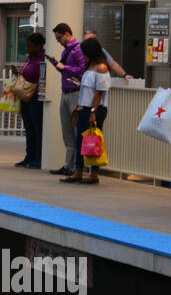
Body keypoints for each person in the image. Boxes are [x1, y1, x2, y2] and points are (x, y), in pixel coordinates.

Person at [62, 37, 110, 184]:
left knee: (93, 140)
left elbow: (99, 92)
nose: (82, 55)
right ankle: (79, 171)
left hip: (95, 108)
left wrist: (93, 111)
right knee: (80, 140)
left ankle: (94, 173)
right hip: (85, 106)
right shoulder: (90, 66)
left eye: (84, 52)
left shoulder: (102, 67)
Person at [46, 23, 86, 175]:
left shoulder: (77, 49)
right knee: (67, 130)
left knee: (75, 129)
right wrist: (57, 65)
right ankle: (68, 165)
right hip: (66, 91)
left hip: (75, 93)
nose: (58, 41)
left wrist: (64, 68)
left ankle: (75, 166)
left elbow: (82, 70)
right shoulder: (67, 50)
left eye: (59, 37)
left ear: (67, 34)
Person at [10, 32, 47, 168]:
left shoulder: (42, 60)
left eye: (30, 46)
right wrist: (18, 72)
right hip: (26, 97)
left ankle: (38, 157)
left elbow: (40, 77)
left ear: (38, 46)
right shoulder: (29, 59)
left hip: (35, 98)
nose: (27, 49)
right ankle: (29, 156)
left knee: (37, 128)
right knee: (29, 128)